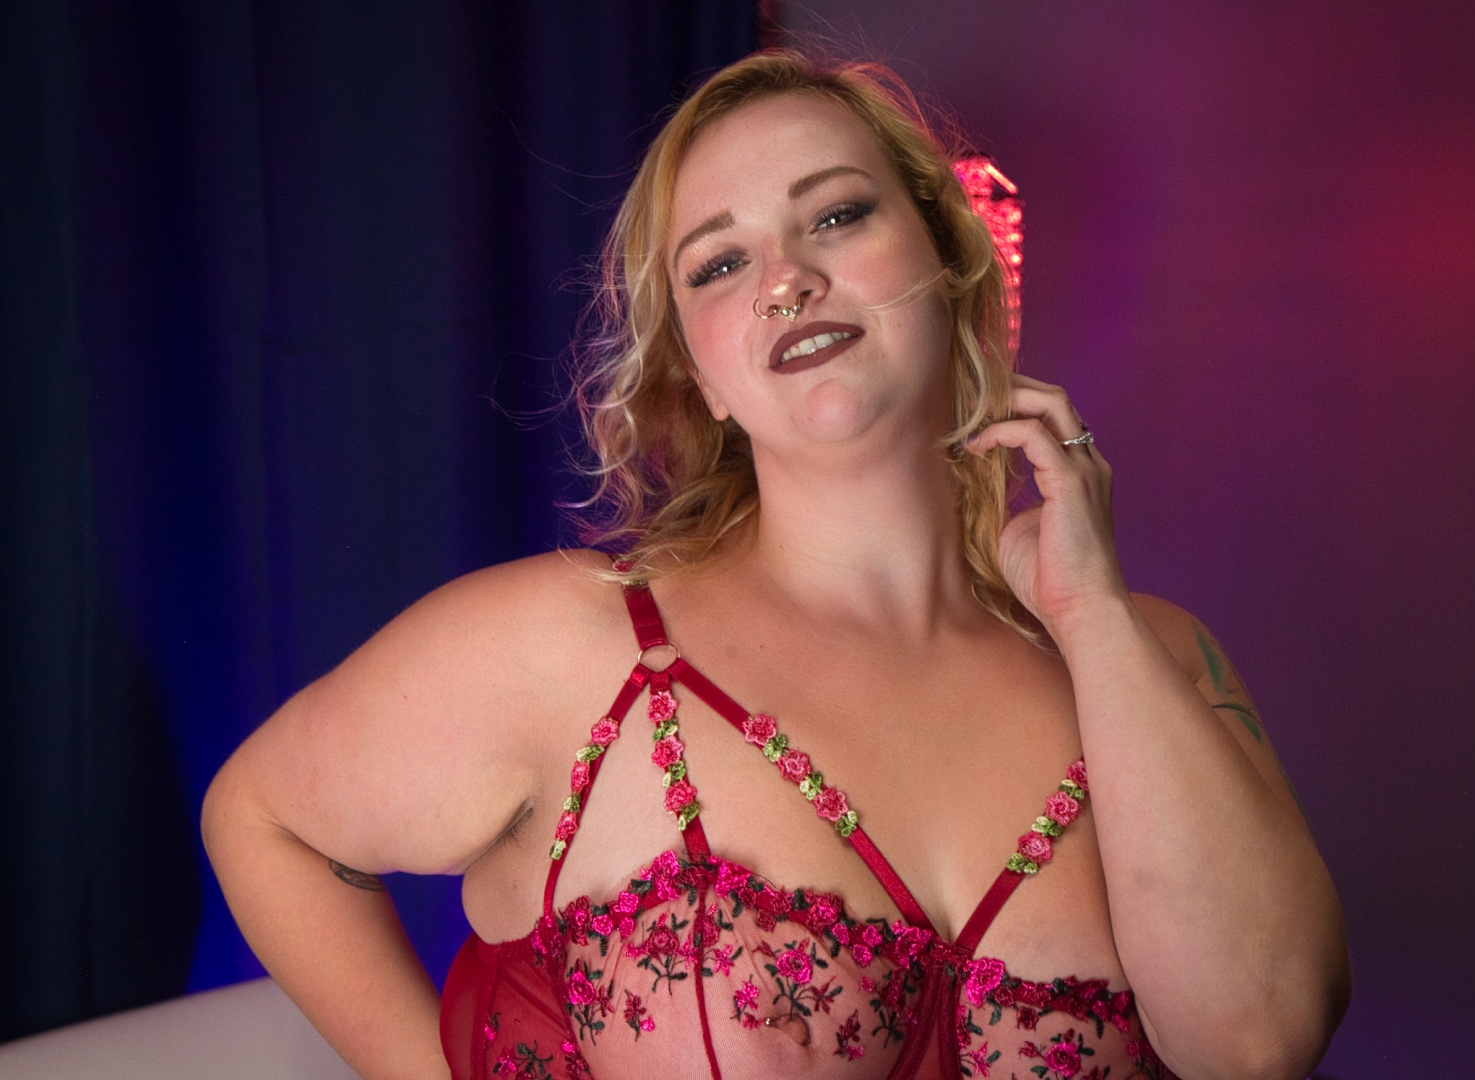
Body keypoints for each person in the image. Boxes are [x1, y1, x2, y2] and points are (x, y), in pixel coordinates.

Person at [202, 50, 1349, 1080]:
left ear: (951, 259)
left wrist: (1091, 614)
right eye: (719, 263)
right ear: (700, 375)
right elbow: (262, 818)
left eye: (837, 215)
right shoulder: (569, 647)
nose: (785, 279)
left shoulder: (1151, 653)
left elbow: (1256, 1044)